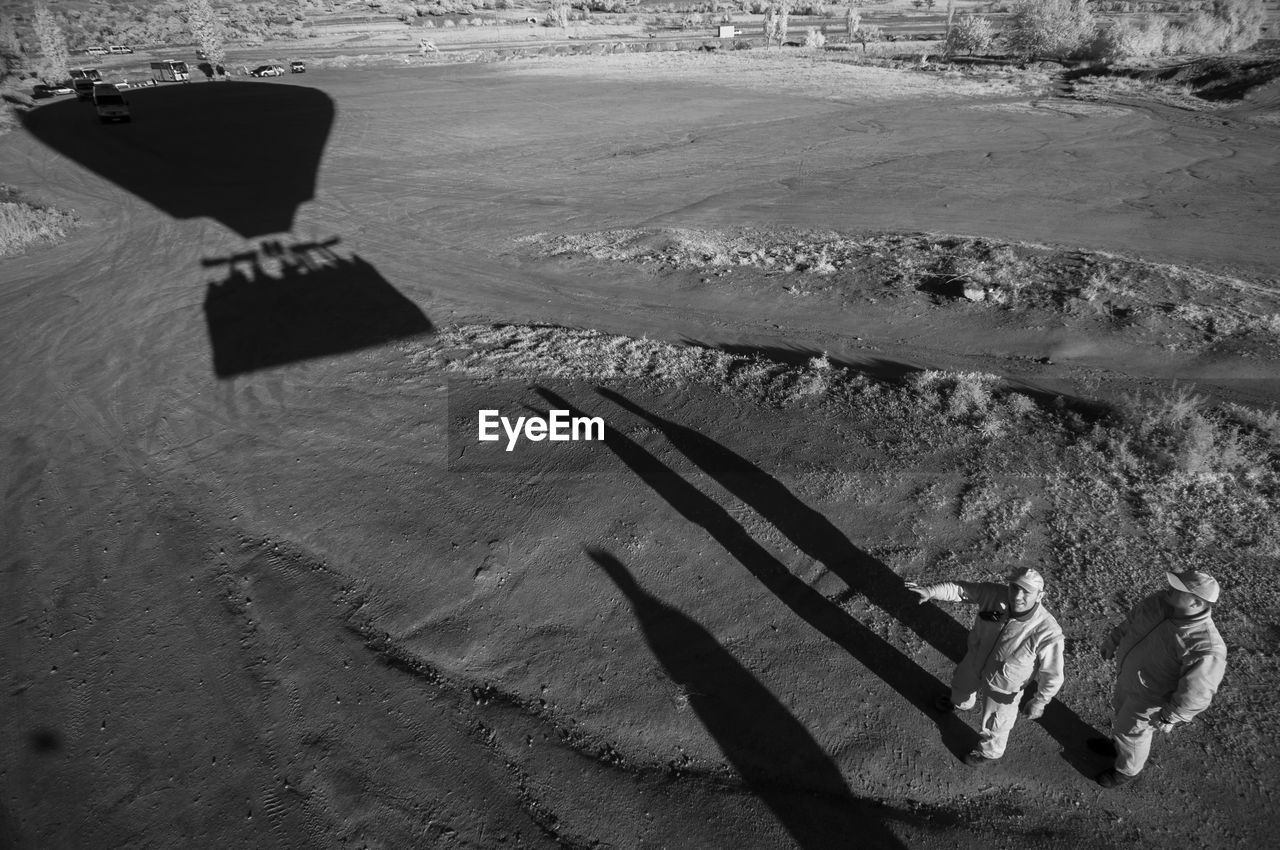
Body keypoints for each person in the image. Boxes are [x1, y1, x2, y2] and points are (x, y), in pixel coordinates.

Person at [906, 567, 1064, 766]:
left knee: (997, 722)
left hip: (1005, 686)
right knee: (961, 684)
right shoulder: (993, 594)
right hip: (975, 660)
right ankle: (959, 703)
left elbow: (1053, 674)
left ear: (1040, 595)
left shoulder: (1048, 632)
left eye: (1026, 591)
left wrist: (1041, 701)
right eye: (1014, 587)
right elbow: (960, 590)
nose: (1017, 595)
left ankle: (990, 752)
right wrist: (931, 591)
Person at [1090, 570, 1226, 788]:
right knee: (1121, 715)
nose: (1169, 589)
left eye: (1177, 589)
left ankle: (1127, 770)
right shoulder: (1158, 602)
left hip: (1150, 700)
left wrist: (1171, 716)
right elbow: (1131, 621)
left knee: (1133, 734)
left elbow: (1197, 692)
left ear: (1196, 603)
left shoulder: (1206, 648)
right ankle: (1118, 746)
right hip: (1128, 678)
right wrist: (1113, 639)